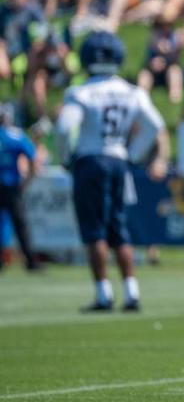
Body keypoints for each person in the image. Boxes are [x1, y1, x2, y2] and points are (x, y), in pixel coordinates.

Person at [55, 32, 169, 312]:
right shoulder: (133, 92)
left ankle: (103, 294)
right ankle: (132, 292)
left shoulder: (80, 92)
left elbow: (63, 127)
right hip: (118, 159)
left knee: (95, 230)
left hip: (90, 160)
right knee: (119, 228)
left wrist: (66, 157)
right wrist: (131, 154)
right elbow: (155, 125)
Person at [0, 103, 41, 271]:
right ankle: (30, 261)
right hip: (12, 186)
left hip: (9, 185)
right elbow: (32, 157)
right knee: (20, 224)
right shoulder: (15, 136)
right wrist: (27, 180)